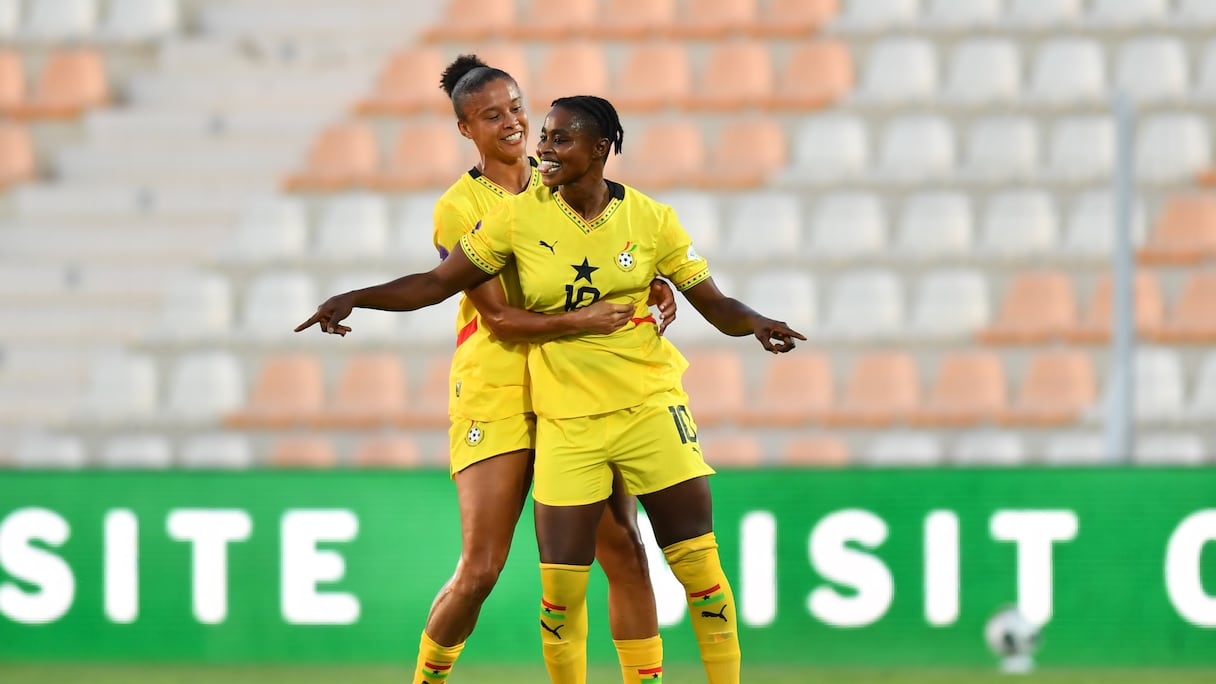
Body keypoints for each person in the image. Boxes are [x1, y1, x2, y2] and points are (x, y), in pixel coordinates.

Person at [296, 94, 804, 684]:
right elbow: (442, 286)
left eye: (557, 137)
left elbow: (713, 303)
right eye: (543, 135)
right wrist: (357, 297)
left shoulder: (651, 218)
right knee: (541, 587)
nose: (541, 145)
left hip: (647, 407)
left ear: (601, 148)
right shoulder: (509, 216)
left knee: (685, 567)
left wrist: (753, 322)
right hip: (551, 414)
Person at [336, 57, 672, 684]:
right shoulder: (460, 206)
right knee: (482, 569)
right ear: (466, 129)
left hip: (575, 386)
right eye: (492, 115)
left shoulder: (563, 180)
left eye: (517, 107)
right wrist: (587, 318)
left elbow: (612, 250)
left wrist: (651, 282)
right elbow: (497, 318)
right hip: (499, 391)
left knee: (625, 547)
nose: (513, 122)